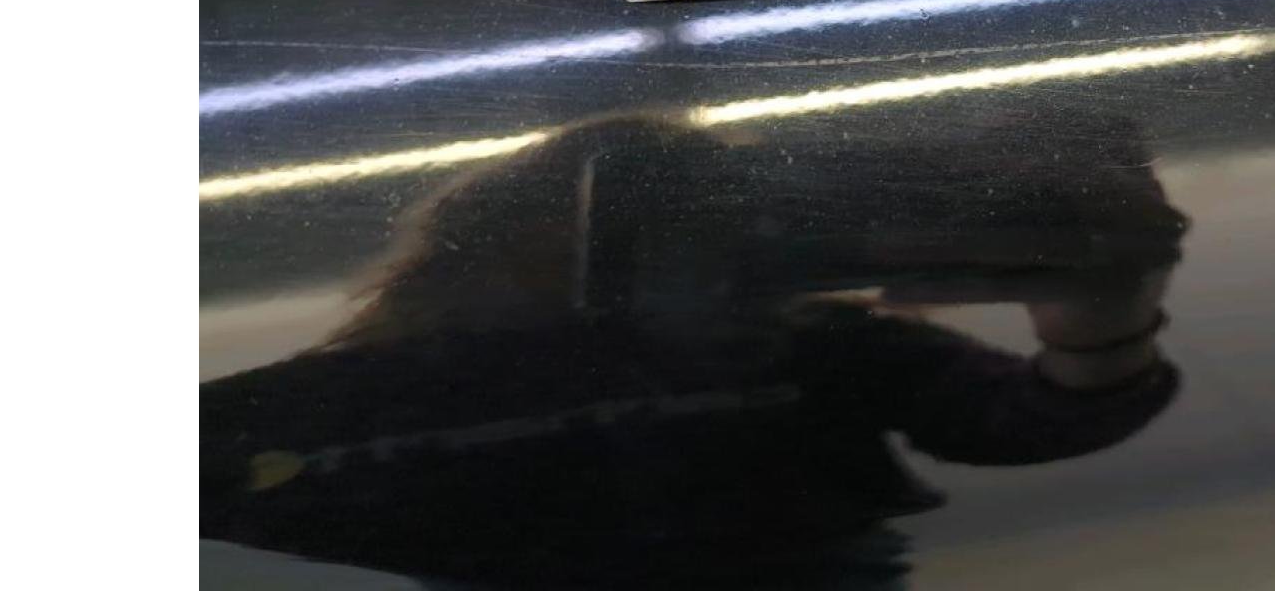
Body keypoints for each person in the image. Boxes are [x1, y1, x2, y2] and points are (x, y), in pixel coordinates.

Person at [201, 107, 1186, 587]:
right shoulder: (374, 389)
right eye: (622, 225)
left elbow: (1024, 420)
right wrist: (1105, 333)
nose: (661, 256)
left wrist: (1101, 319)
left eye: (696, 220)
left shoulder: (806, 349)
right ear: (498, 238)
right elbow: (1034, 420)